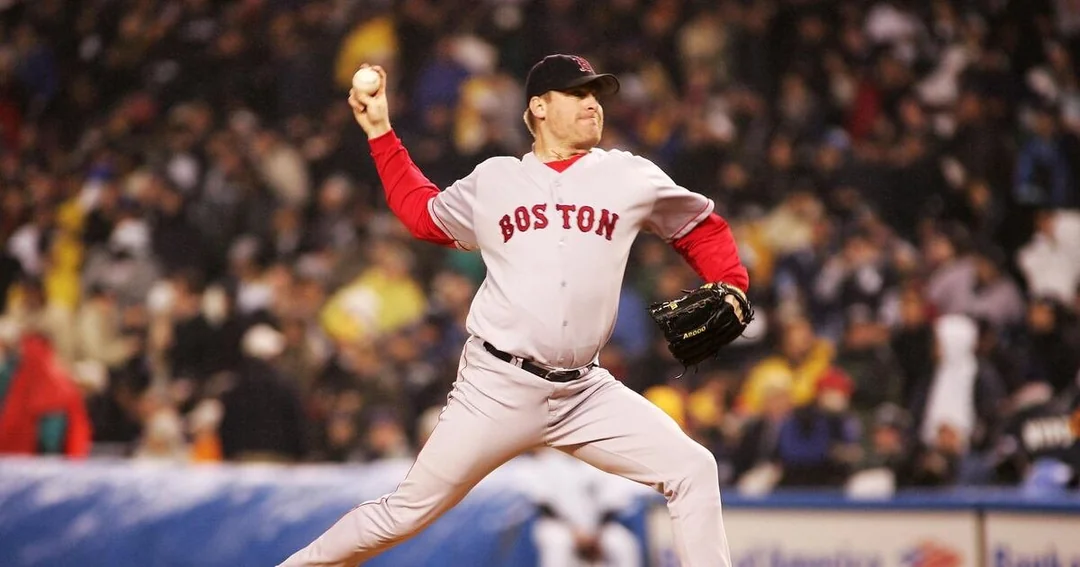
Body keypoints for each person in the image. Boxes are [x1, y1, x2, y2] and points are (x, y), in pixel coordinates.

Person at [278, 54, 749, 567]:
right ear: (539, 107)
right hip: (497, 386)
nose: (593, 104)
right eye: (578, 94)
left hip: (584, 391)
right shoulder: (495, 180)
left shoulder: (628, 176)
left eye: (596, 95)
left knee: (693, 469)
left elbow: (700, 227)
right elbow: (423, 215)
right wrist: (380, 132)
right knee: (405, 513)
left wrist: (731, 283)